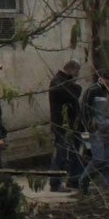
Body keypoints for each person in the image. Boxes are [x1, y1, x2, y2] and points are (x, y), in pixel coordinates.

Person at [75, 68, 109, 193]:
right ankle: (83, 179)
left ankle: (106, 186)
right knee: (99, 159)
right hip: (97, 130)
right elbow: (84, 109)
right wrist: (89, 127)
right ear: (104, 78)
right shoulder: (92, 90)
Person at [47, 60, 84, 192]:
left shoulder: (65, 82)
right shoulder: (58, 82)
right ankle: (55, 182)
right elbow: (75, 93)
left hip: (71, 125)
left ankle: (74, 180)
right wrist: (75, 87)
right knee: (60, 154)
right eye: (77, 71)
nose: (78, 75)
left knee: (74, 153)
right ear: (72, 70)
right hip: (62, 125)